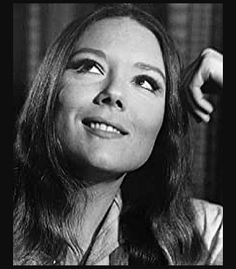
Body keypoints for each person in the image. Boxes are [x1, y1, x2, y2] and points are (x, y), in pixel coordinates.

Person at [13, 4, 223, 265]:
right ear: (50, 89)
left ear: (165, 120)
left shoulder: (199, 236)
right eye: (90, 66)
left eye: (145, 82)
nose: (114, 93)